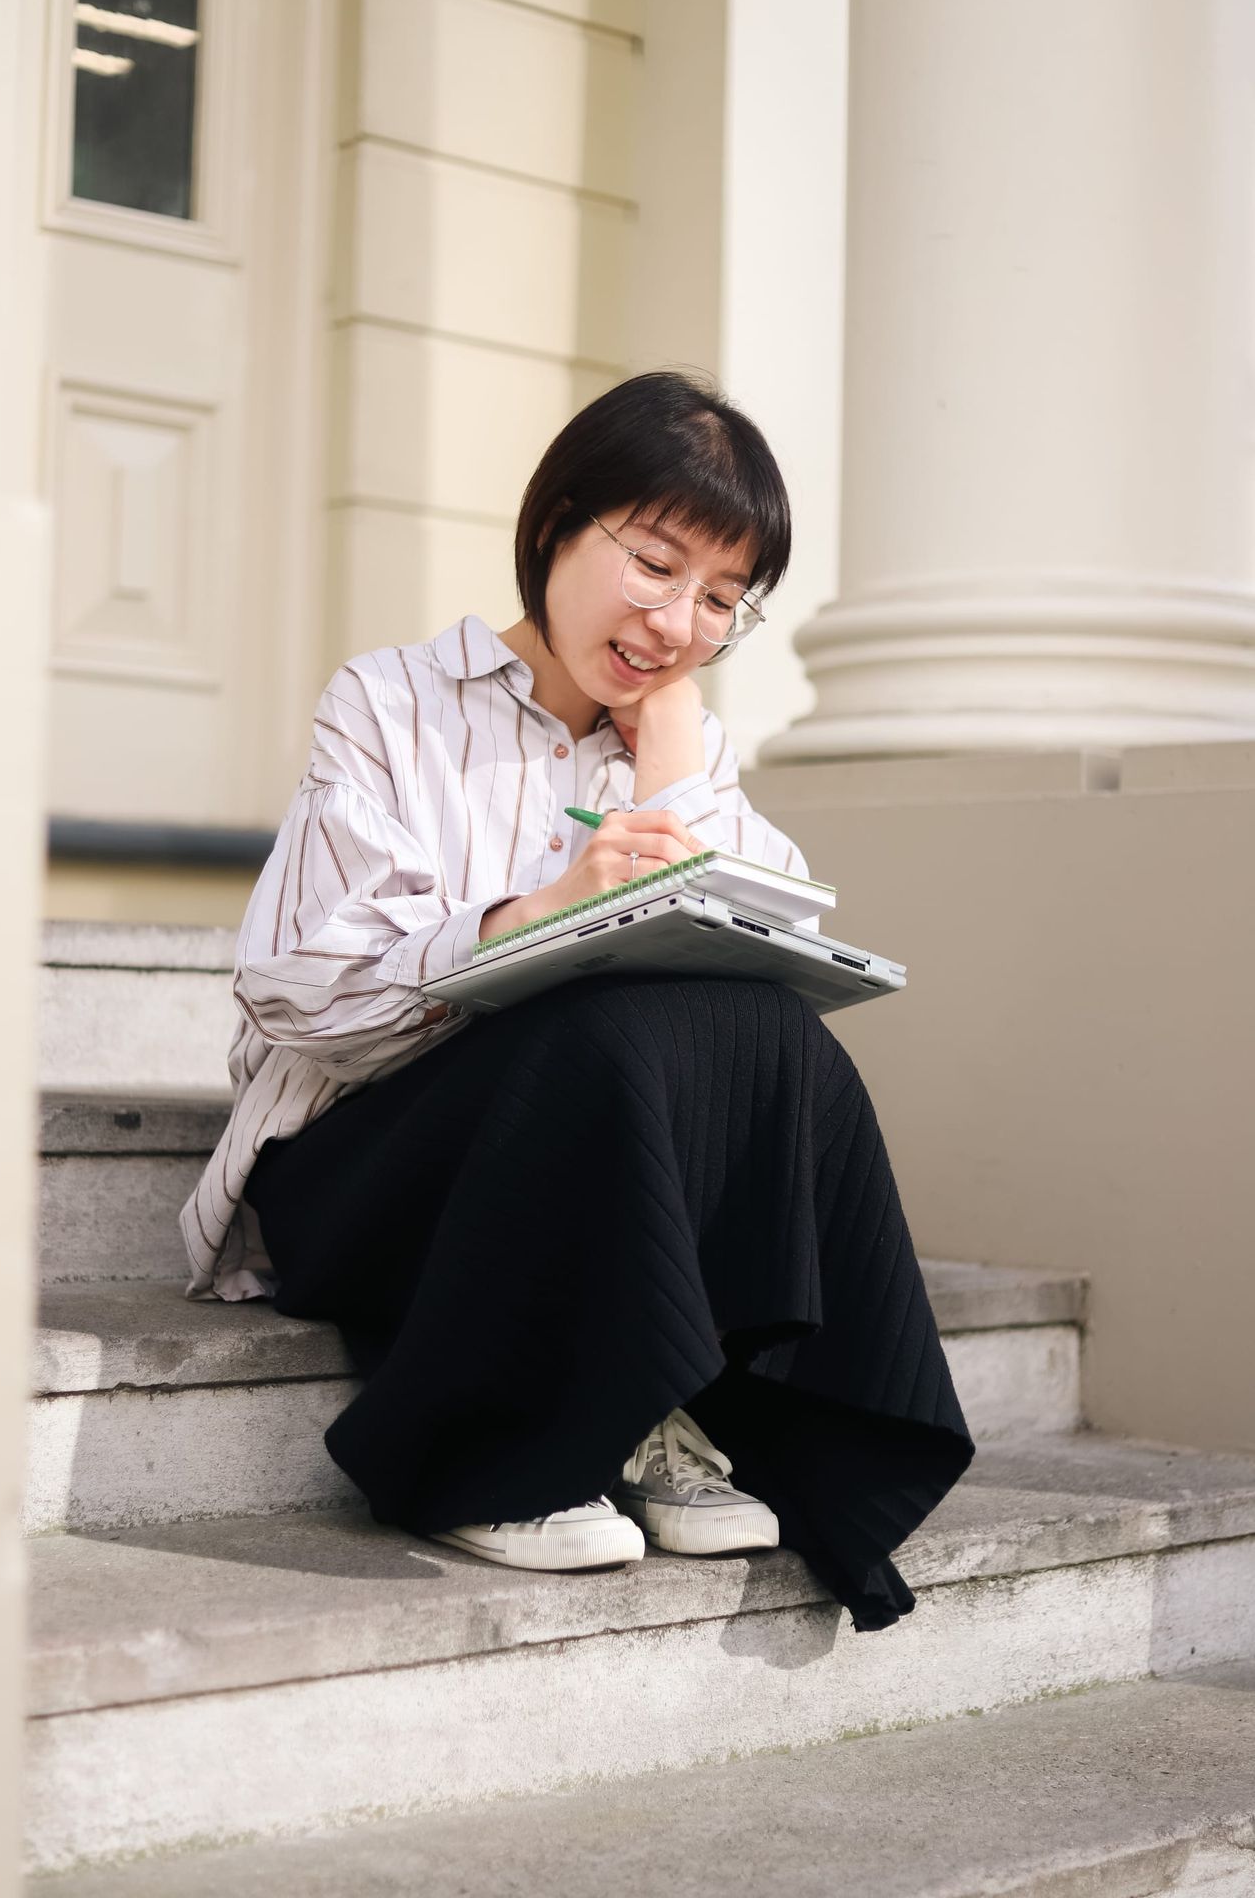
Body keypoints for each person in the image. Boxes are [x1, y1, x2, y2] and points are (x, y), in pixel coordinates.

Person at [178, 368, 974, 1631]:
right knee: (601, 1031)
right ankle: (497, 1453)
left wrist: (669, 747)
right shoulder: (388, 702)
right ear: (556, 523)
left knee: (768, 1029)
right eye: (654, 564)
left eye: (723, 598)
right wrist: (538, 912)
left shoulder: (678, 741)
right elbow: (299, 988)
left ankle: (658, 1391)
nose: (677, 621)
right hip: (363, 1171)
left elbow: (769, 913)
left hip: (581, 1154)